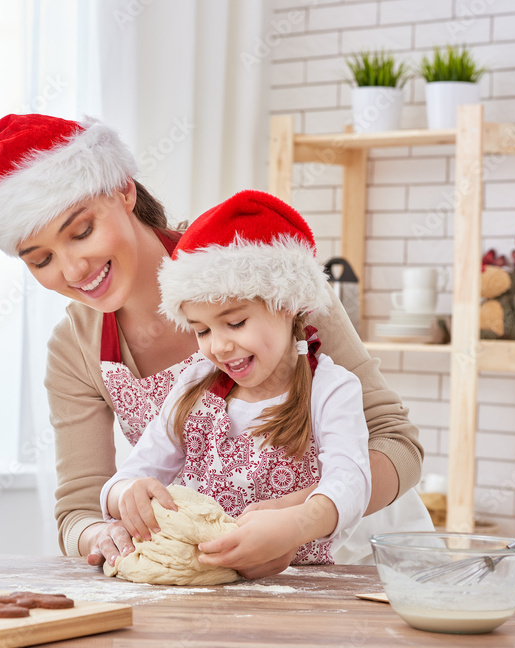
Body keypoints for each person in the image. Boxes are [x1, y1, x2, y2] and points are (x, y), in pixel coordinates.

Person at [0, 113, 431, 577]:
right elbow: (81, 508)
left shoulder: (257, 263)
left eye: (82, 231)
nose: (72, 270)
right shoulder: (77, 348)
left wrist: (307, 516)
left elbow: (398, 442)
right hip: (231, 576)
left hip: (363, 558)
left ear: (123, 190)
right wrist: (107, 530)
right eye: (41, 259)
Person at [102, 190, 370, 569]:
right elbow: (128, 476)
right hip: (203, 587)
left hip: (300, 590)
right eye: (202, 330)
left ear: (288, 303)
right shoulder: (194, 386)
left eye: (235, 323)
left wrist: (295, 525)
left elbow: (352, 481)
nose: (219, 347)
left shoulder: (330, 388)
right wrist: (127, 493)